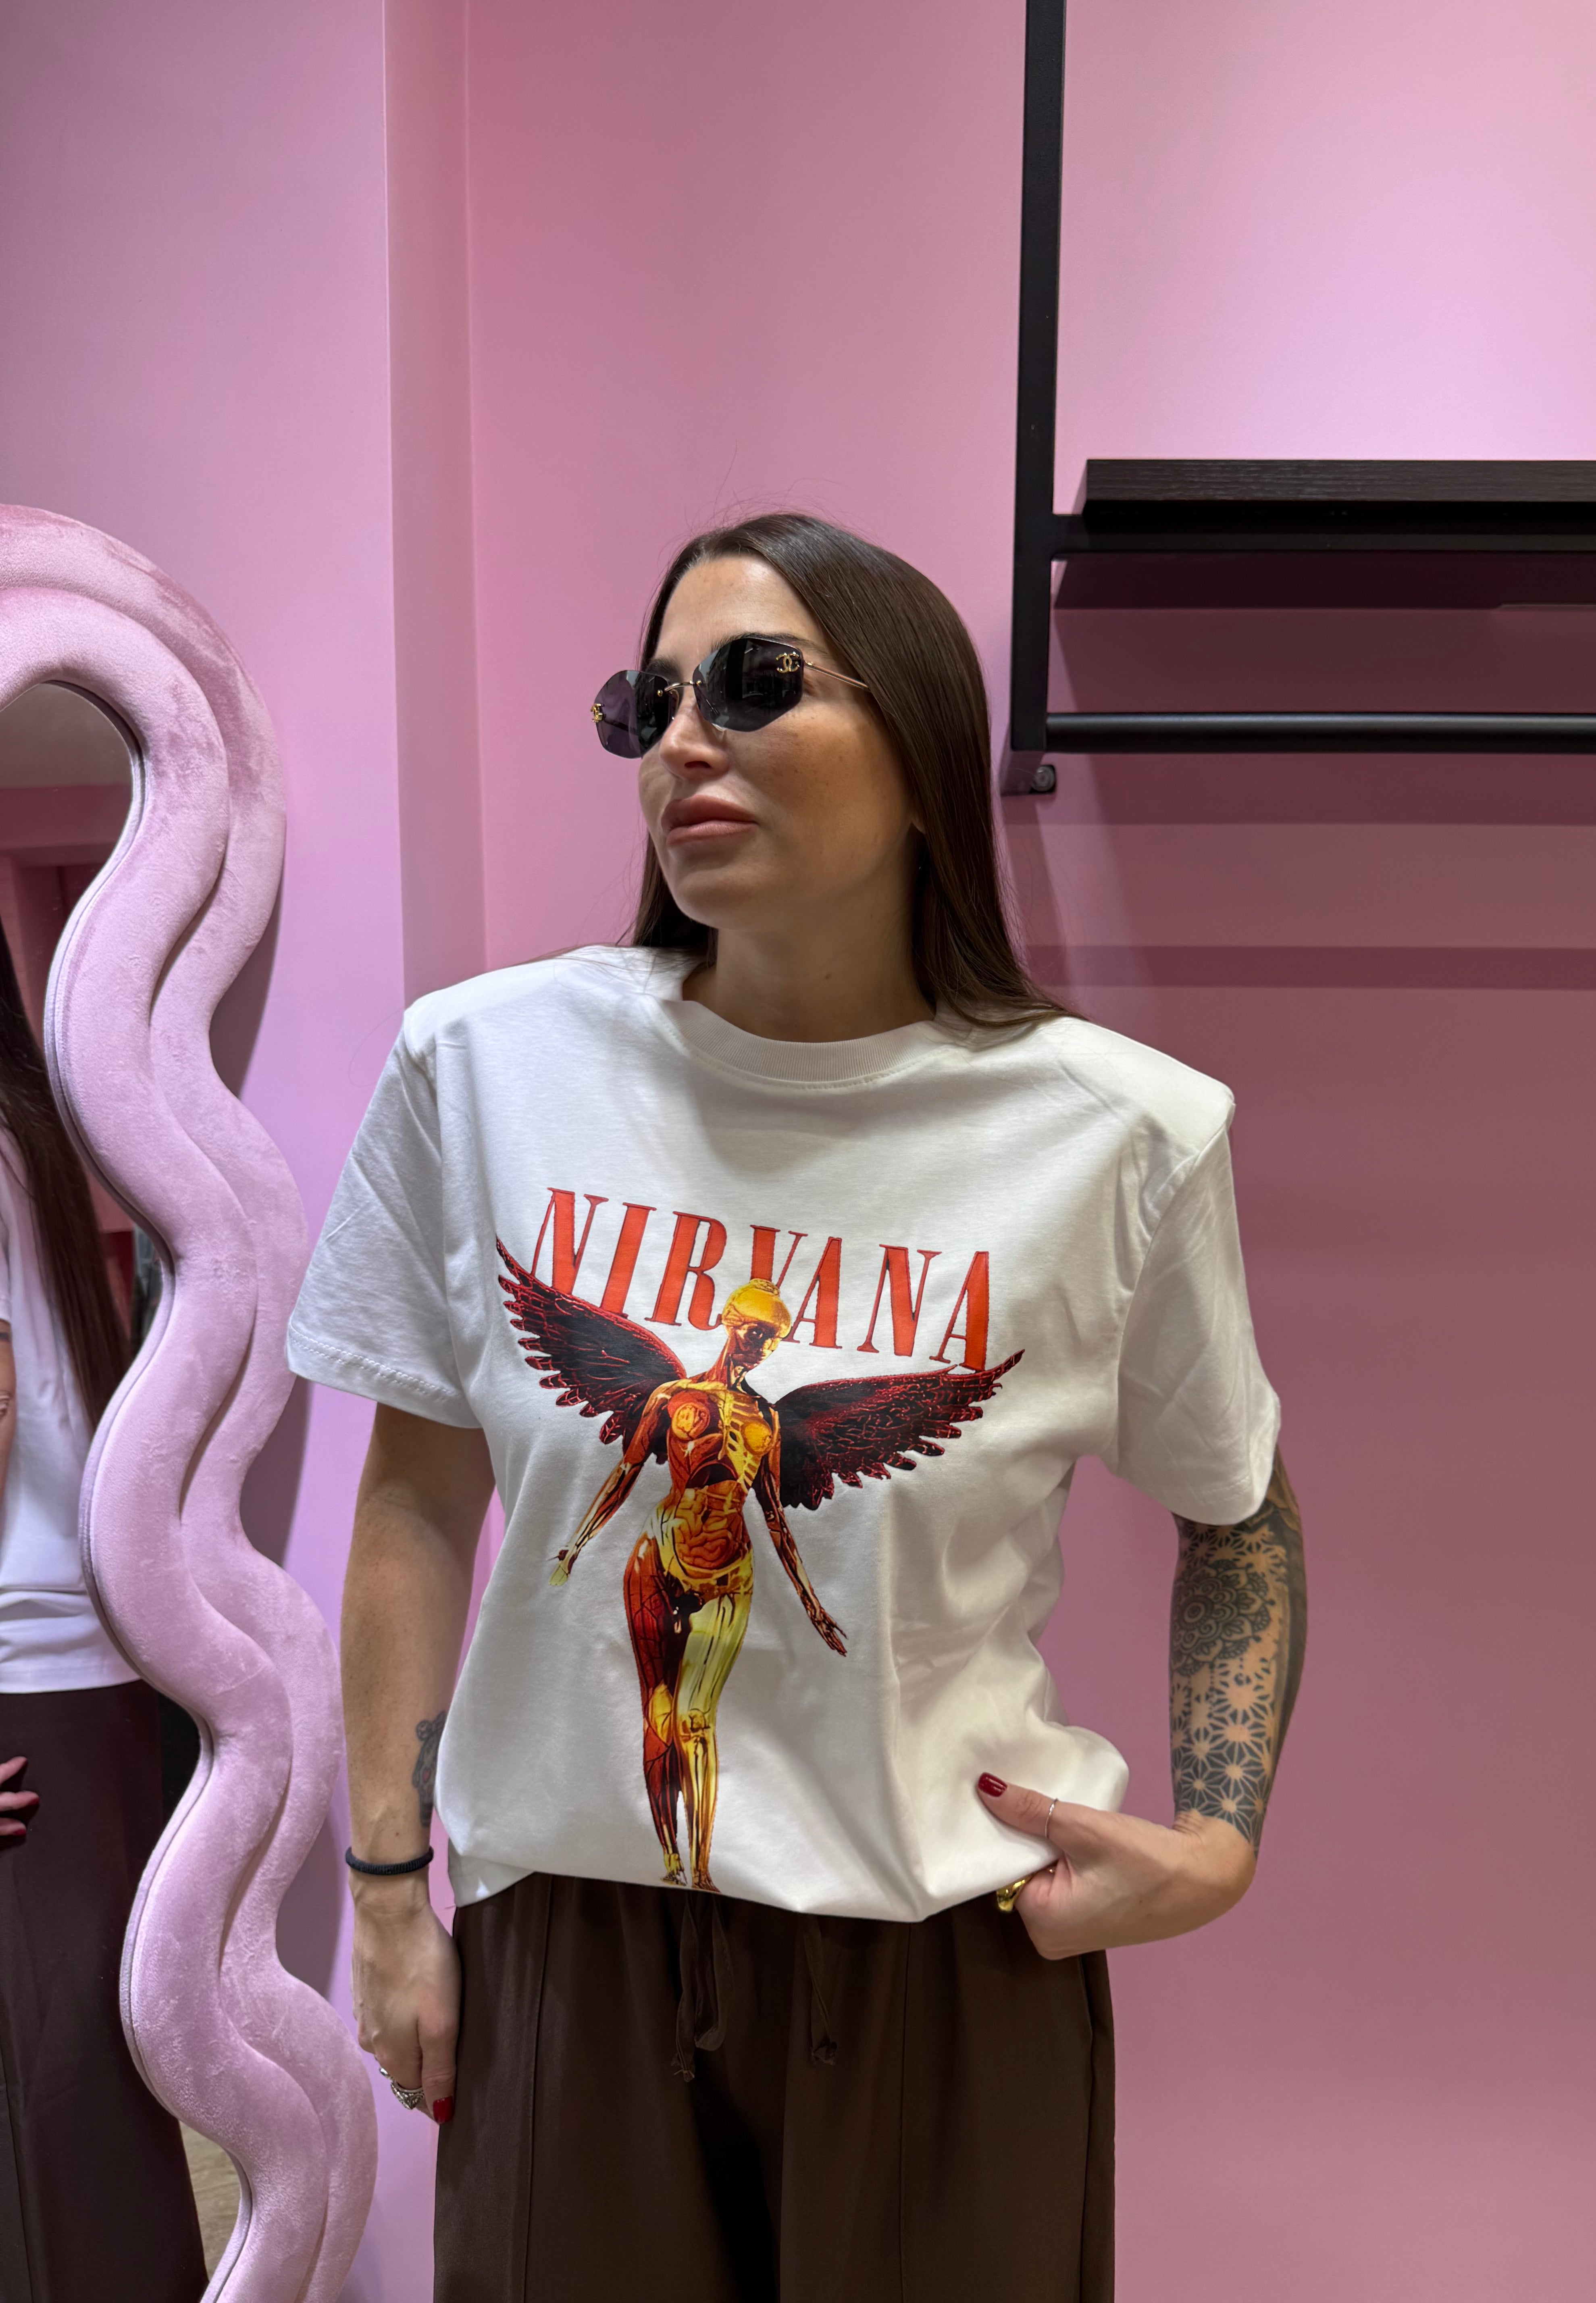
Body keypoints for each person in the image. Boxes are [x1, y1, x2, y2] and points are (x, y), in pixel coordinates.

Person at [288, 513, 1307, 2300]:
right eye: (649, 702)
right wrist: (386, 1893)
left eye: (755, 684)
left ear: (918, 747)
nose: (684, 738)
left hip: (940, 1954)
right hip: (574, 1947)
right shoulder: (488, 1068)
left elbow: (1240, 1513)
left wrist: (1216, 1846)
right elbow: (416, 1504)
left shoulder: (1119, 1136)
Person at [0, 923, 207, 2300]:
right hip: (81, 1675)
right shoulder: (25, 1128)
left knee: (48, 2125)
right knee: (81, 2111)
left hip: (24, 1688)